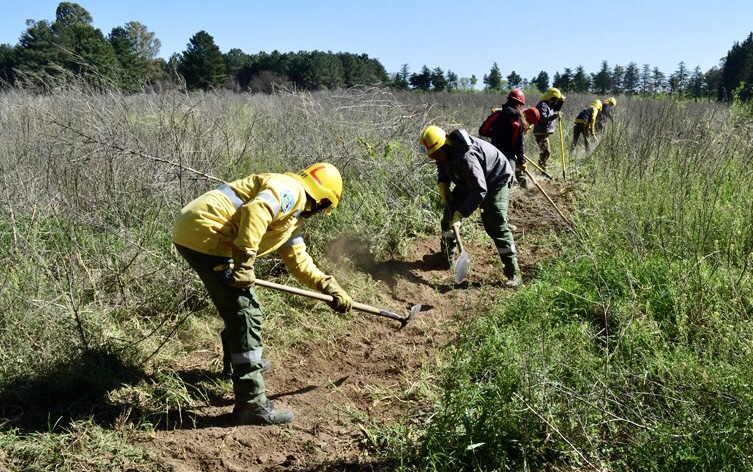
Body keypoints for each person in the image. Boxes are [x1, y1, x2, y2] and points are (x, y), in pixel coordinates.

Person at [172, 163, 353, 426]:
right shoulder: (291, 191)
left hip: (199, 233)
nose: (320, 213)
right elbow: (256, 210)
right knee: (246, 313)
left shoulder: (292, 217)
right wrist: (245, 262)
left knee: (239, 308)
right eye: (324, 208)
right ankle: (251, 403)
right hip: (207, 235)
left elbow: (298, 261)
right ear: (321, 199)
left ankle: (238, 364)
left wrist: (327, 285)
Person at [420, 125, 522, 288]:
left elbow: (479, 190)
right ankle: (446, 258)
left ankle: (513, 274)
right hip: (472, 180)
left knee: (495, 221)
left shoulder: (466, 156)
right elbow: (442, 165)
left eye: (437, 155)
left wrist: (461, 214)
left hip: (496, 179)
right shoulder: (443, 153)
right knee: (448, 213)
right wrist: (443, 183)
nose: (436, 159)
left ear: (445, 145)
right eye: (433, 157)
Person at [478, 89, 534, 189]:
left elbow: (482, 131)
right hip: (508, 156)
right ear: (519, 104)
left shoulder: (496, 115)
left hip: (492, 153)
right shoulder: (518, 122)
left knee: (489, 178)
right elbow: (519, 144)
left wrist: (496, 133)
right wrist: (521, 161)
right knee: (507, 182)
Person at [532, 87, 566, 171]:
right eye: (556, 99)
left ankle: (541, 169)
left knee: (545, 152)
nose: (556, 101)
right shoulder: (542, 105)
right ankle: (541, 170)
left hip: (544, 132)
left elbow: (557, 108)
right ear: (551, 98)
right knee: (546, 152)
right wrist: (555, 115)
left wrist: (562, 99)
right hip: (540, 132)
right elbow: (543, 118)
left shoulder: (550, 105)